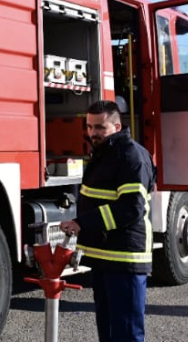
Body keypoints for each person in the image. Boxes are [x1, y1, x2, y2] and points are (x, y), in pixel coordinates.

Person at [59, 100, 155, 342]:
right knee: (109, 332)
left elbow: (130, 208)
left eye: (100, 127)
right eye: (90, 127)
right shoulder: (105, 154)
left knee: (126, 334)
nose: (93, 133)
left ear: (117, 126)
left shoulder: (131, 156)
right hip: (105, 258)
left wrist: (83, 223)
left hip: (125, 259)